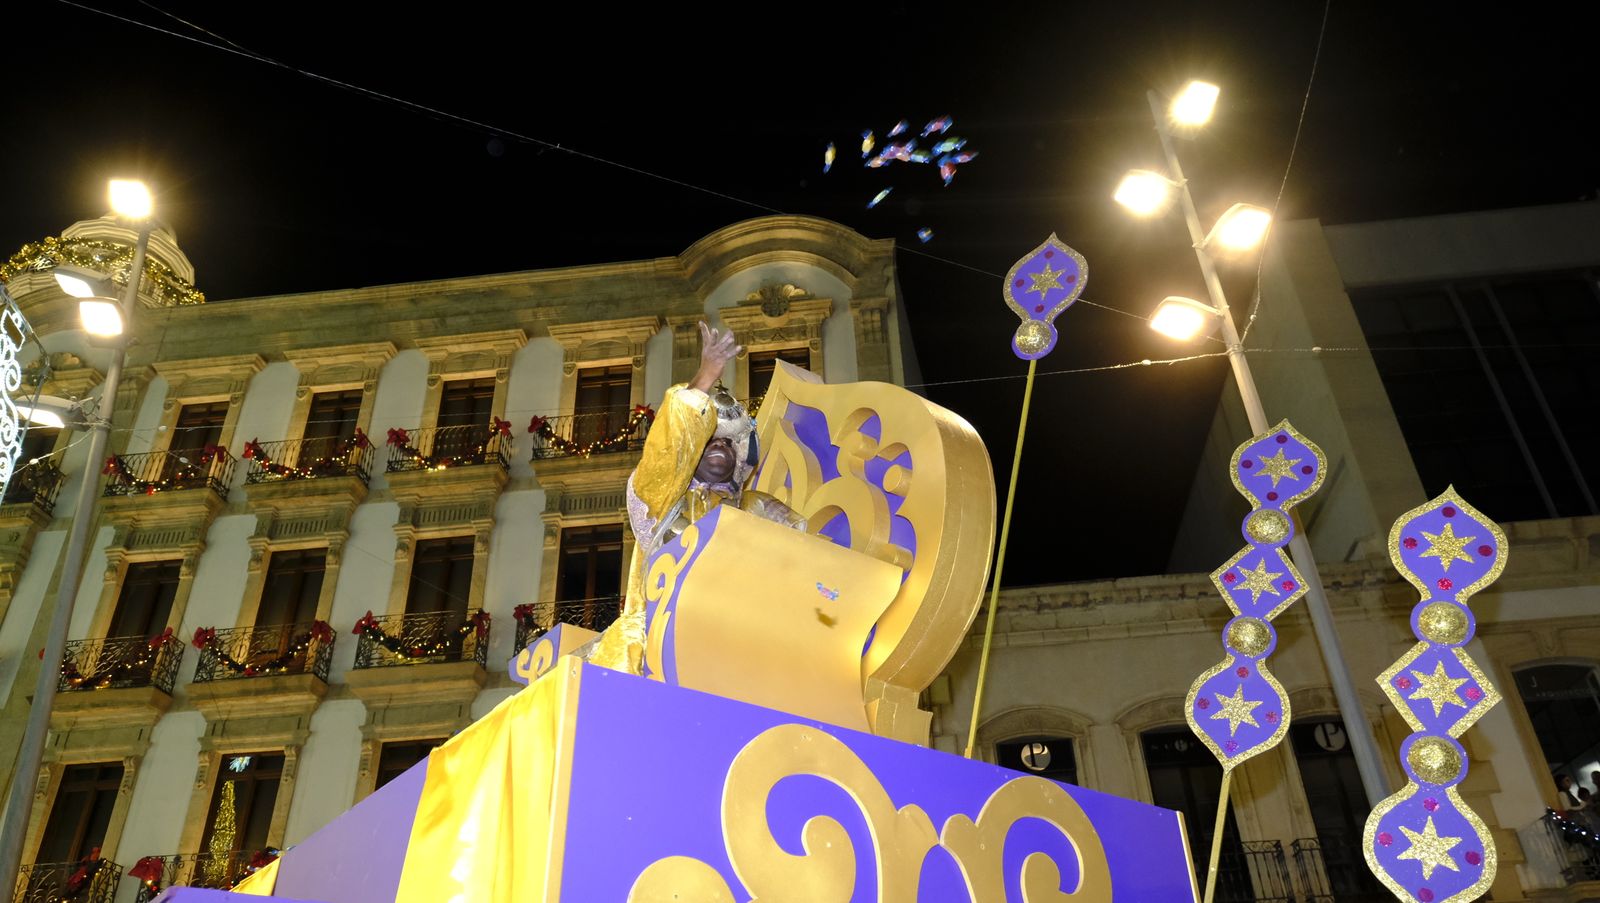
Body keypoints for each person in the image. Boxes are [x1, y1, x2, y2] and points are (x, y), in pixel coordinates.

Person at [582, 322, 804, 675]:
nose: (720, 445)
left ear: (739, 463)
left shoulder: (754, 505)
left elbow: (803, 545)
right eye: (709, 441)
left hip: (740, 634)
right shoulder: (664, 495)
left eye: (729, 443)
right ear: (691, 454)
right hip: (656, 633)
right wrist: (705, 377)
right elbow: (666, 453)